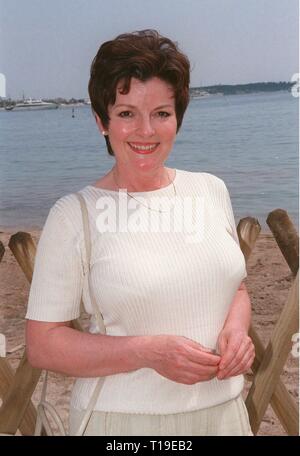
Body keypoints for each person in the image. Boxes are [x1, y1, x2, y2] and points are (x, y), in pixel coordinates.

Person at [25, 29, 255, 436]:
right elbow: (43, 345)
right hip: (123, 424)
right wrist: (148, 352)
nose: (146, 131)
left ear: (178, 118)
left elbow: (234, 287)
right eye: (127, 113)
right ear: (101, 121)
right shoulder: (73, 216)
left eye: (161, 113)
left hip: (226, 415)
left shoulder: (211, 189)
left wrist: (236, 332)